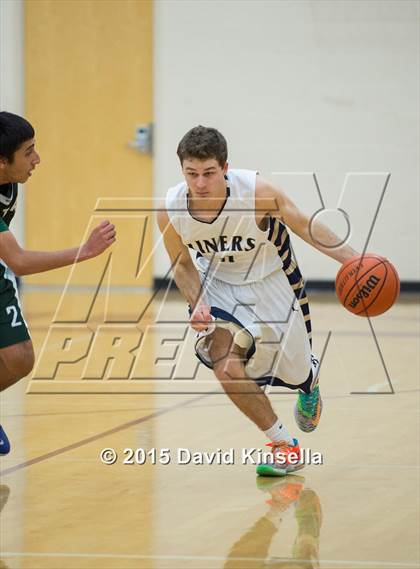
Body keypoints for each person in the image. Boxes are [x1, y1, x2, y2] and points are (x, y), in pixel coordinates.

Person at [157, 125, 357, 476]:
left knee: (295, 371)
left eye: (209, 173)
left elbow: (304, 225)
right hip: (217, 283)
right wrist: (197, 300)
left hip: (270, 280)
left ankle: (307, 381)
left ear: (225, 168)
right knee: (225, 365)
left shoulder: (257, 192)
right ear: (182, 171)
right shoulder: (170, 209)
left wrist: (354, 260)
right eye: (192, 174)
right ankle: (283, 444)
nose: (200, 183)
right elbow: (182, 263)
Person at [0, 111, 116, 455]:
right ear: (2, 162)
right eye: (29, 152)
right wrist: (85, 251)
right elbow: (18, 261)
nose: (37, 159)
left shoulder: (10, 182)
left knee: (19, 358)